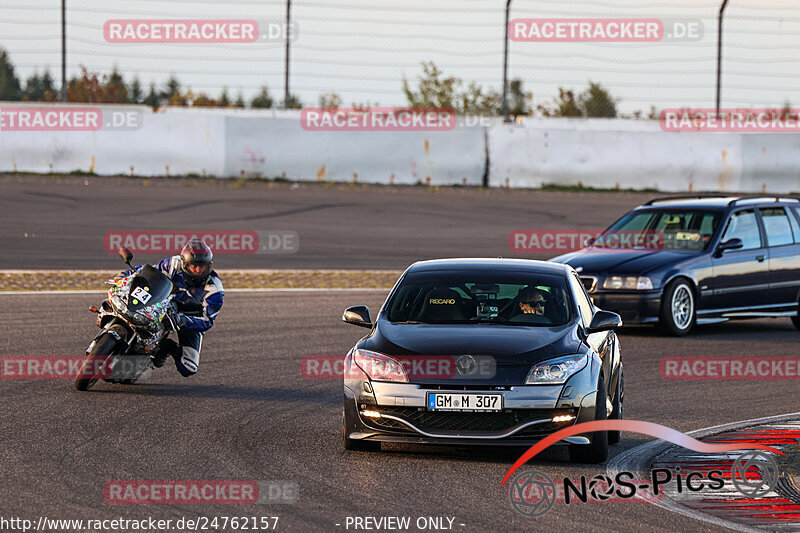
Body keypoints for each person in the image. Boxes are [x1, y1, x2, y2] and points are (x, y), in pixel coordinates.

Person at [120, 239, 223, 377]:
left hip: (188, 319)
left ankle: (167, 347)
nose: (198, 270)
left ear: (209, 265)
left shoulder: (215, 289)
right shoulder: (173, 264)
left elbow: (207, 320)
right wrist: (126, 275)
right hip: (163, 303)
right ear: (185, 264)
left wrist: (182, 320)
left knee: (188, 367)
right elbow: (150, 273)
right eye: (194, 266)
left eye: (202, 266)